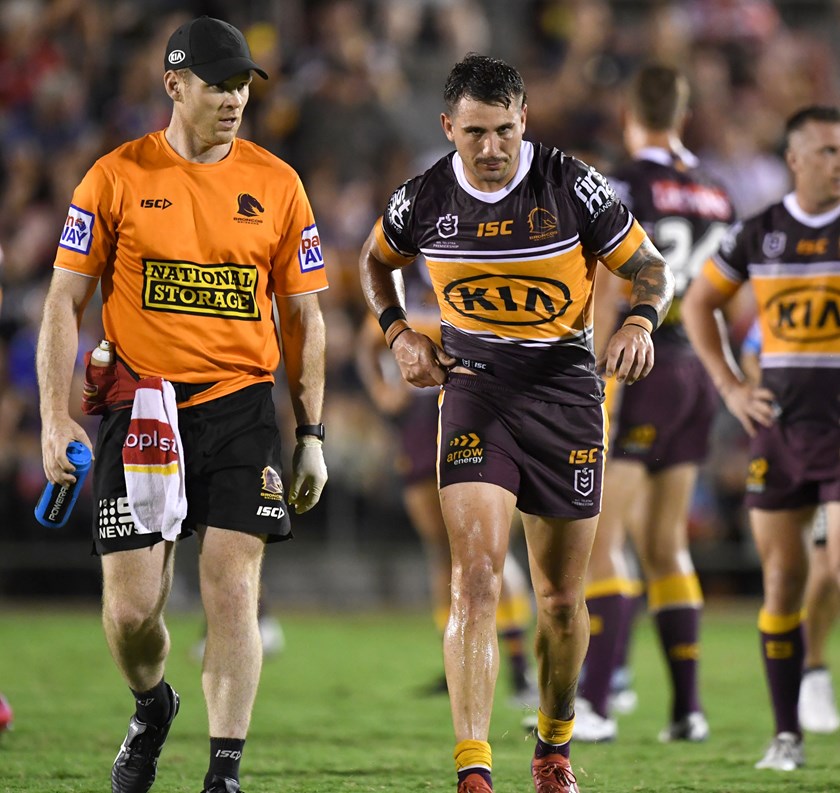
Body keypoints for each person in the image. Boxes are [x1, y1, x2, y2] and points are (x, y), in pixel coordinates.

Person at [359, 53, 674, 793]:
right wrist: (398, 334)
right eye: (475, 132)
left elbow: (652, 267)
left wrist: (640, 321)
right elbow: (373, 262)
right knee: (475, 578)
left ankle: (553, 747)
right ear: (449, 127)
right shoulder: (422, 198)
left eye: (504, 130)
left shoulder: (571, 184)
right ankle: (473, 769)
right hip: (475, 392)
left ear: (524, 120)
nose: (492, 147)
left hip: (567, 399)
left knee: (561, 602)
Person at [36, 17, 328, 793]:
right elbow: (63, 301)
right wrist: (55, 416)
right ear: (173, 84)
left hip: (239, 407)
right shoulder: (114, 177)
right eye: (217, 84)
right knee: (132, 614)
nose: (234, 99)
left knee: (233, 585)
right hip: (140, 408)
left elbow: (304, 316)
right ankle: (152, 703)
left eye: (242, 86)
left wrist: (312, 432)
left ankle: (222, 774)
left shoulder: (278, 184)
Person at [575, 63, 735, 744]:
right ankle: (687, 710)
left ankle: (595, 703)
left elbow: (611, 284)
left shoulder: (622, 185)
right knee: (667, 546)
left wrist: (592, 371)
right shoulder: (717, 192)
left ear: (628, 114)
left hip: (638, 365)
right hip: (697, 371)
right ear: (683, 113)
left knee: (599, 541)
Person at [682, 104, 840, 772]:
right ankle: (787, 735)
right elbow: (698, 302)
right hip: (778, 431)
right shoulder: (761, 231)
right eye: (828, 150)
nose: (838, 161)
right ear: (795, 159)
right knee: (782, 582)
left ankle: (815, 681)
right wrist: (729, 387)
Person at [355, 263, 538, 708]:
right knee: (441, 548)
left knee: (483, 547)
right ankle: (453, 657)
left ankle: (519, 667)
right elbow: (368, 341)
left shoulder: (482, 272)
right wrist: (382, 391)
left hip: (475, 412)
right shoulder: (407, 282)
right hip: (420, 420)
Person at [741, 320, 840, 735]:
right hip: (795, 436)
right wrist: (747, 388)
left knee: (832, 569)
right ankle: (812, 672)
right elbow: (752, 347)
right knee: (803, 574)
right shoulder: (792, 294)